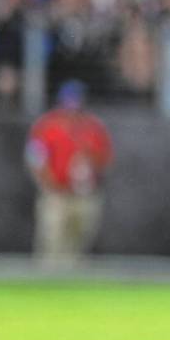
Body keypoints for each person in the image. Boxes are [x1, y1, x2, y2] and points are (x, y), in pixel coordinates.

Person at [26, 80, 113, 266]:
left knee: (78, 246)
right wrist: (48, 183)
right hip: (56, 194)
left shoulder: (93, 127)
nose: (73, 106)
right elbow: (35, 158)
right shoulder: (47, 126)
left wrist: (90, 175)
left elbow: (104, 159)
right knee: (51, 243)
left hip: (84, 195)